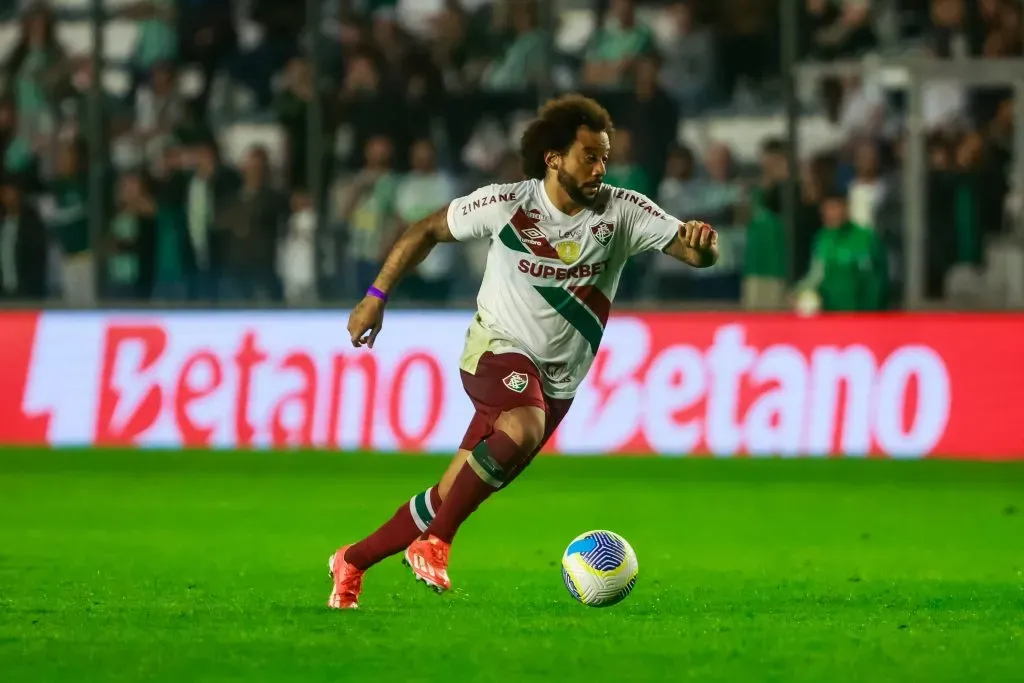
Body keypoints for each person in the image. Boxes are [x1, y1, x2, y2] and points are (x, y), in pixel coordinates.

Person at [329, 94, 718, 609]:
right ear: (553, 158)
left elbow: (692, 252)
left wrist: (705, 246)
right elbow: (425, 230)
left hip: (557, 384)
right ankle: (436, 546)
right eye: (589, 155)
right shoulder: (508, 203)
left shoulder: (623, 212)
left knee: (451, 493)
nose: (601, 167)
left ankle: (352, 561)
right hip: (495, 351)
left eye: (605, 157)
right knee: (522, 426)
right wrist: (375, 297)